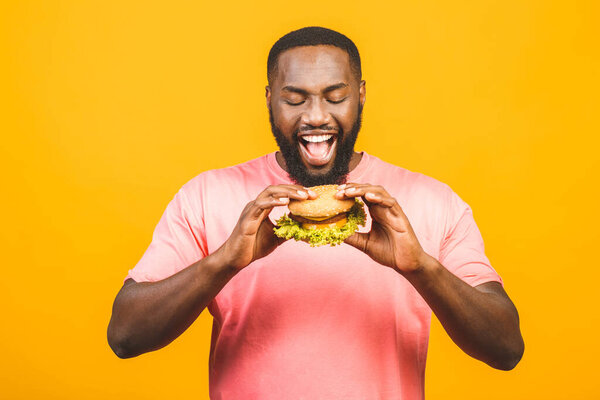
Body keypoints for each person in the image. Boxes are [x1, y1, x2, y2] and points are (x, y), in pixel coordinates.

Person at [108, 26, 524, 399]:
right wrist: (223, 263)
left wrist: (421, 269)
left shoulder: (432, 200)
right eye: (294, 99)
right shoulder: (205, 195)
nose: (316, 117)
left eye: (335, 96)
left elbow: (506, 348)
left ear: (360, 95)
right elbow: (126, 336)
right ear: (270, 99)